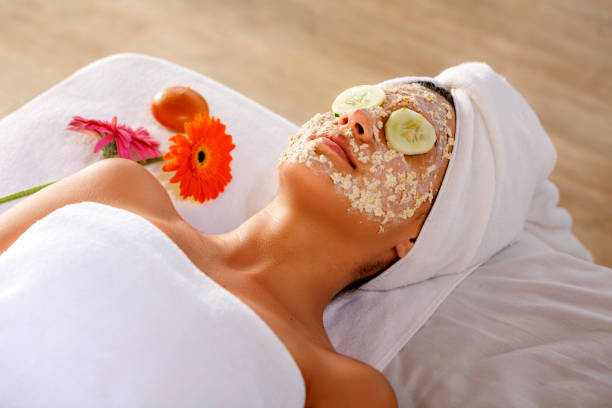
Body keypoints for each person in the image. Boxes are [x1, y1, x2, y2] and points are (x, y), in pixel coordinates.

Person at [0, 81, 455, 407]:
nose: (358, 118)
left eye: (409, 135)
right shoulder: (118, 188)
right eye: (362, 102)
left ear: (416, 235)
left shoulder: (342, 388)